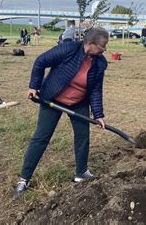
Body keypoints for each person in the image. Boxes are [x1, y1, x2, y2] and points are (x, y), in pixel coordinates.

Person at [13, 27, 109, 197]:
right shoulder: (69, 49)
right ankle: (24, 179)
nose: (105, 49)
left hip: (78, 102)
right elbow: (41, 61)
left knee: (82, 137)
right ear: (91, 44)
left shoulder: (100, 63)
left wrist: (98, 114)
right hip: (53, 99)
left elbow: (95, 90)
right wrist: (34, 86)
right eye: (103, 46)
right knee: (41, 137)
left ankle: (81, 173)